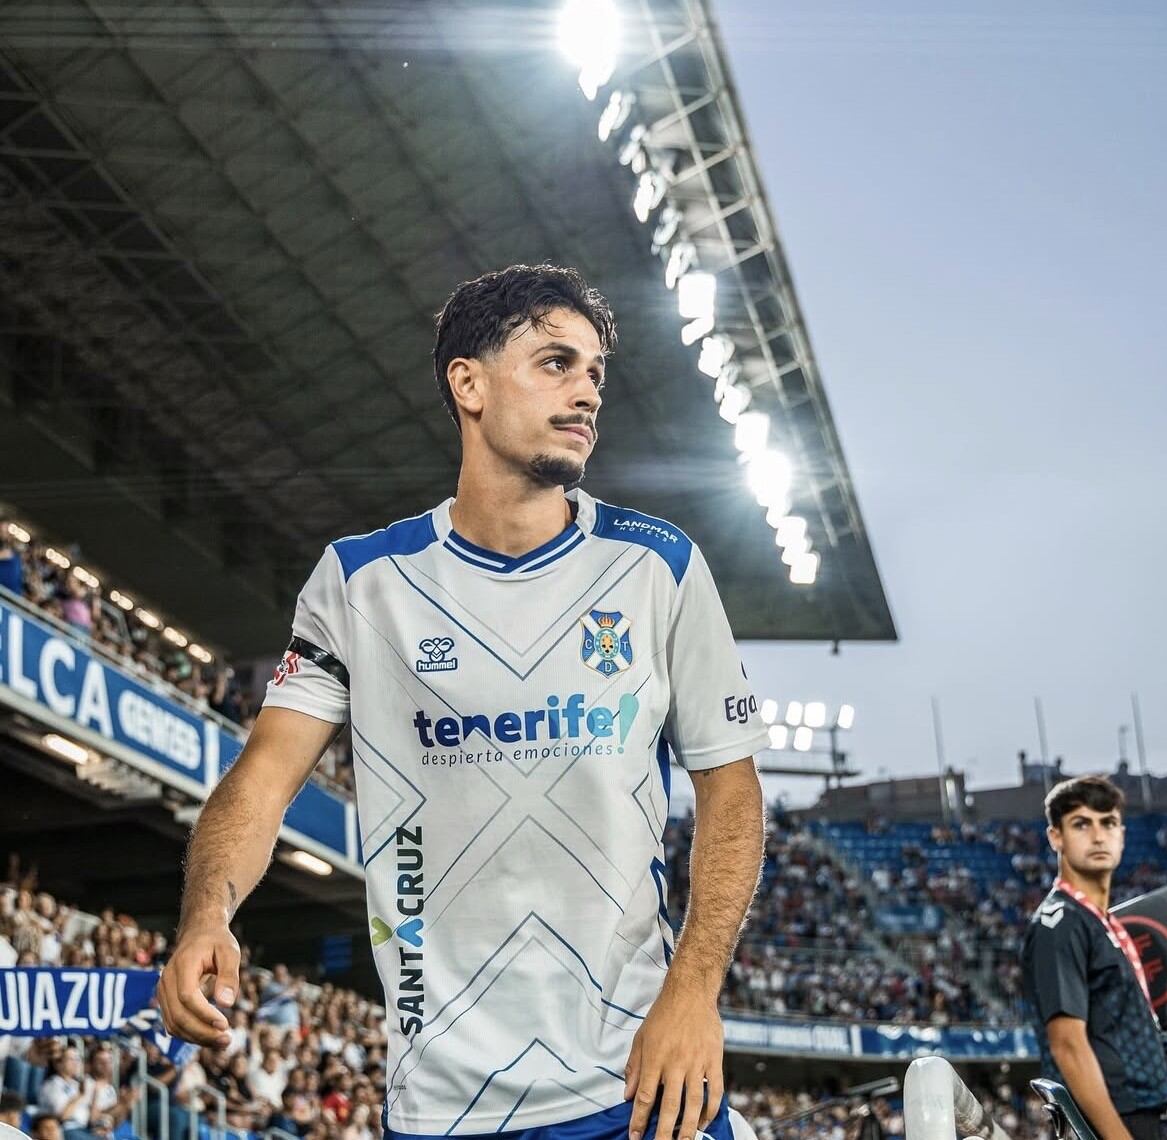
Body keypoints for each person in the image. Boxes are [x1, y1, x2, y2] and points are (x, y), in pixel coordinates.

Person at [159, 264, 769, 1140]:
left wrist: (694, 990)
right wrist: (206, 915)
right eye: (556, 363)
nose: (587, 391)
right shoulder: (360, 583)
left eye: (595, 371)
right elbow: (262, 780)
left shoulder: (657, 567)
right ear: (468, 383)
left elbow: (730, 788)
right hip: (443, 1104)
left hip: (638, 1083)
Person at [1021, 775, 1167, 1140]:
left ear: (1122, 834)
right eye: (1081, 824)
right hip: (1119, 1120)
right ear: (1056, 836)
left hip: (1143, 1111)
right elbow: (1068, 1045)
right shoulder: (1060, 923)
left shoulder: (1099, 922)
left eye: (1109, 823)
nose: (1098, 836)